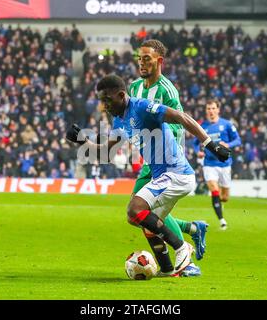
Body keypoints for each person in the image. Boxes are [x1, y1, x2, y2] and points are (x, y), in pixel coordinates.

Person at [66, 75, 231, 276]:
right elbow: (105, 153)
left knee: (135, 208)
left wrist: (210, 144)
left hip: (175, 173)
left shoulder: (142, 107)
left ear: (120, 95)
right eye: (102, 101)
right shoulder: (119, 120)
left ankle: (182, 247)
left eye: (107, 100)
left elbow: (182, 117)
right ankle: (169, 269)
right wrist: (82, 140)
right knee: (140, 220)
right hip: (162, 176)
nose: (104, 106)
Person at [129, 39, 208, 276]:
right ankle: (191, 231)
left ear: (159, 62)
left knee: (139, 212)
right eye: (139, 58)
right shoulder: (134, 88)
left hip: (165, 160)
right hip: (149, 159)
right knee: (142, 216)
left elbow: (178, 124)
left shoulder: (168, 91)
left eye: (147, 59)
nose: (142, 63)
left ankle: (186, 257)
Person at [194, 99, 242, 230]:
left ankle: (220, 203)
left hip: (225, 164)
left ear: (218, 110)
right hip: (209, 164)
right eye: (208, 109)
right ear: (206, 111)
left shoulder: (226, 125)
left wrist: (228, 145)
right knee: (214, 190)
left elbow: (238, 140)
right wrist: (197, 151)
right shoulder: (202, 126)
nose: (211, 111)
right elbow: (194, 142)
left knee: (224, 197)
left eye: (213, 108)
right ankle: (222, 220)